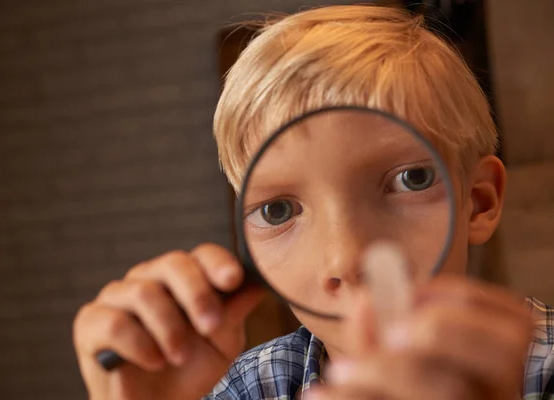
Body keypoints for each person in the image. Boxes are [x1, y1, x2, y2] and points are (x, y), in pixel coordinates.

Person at [72, 5, 554, 400]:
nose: (346, 256)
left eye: (409, 179)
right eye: (278, 210)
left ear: (478, 200)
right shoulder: (250, 388)